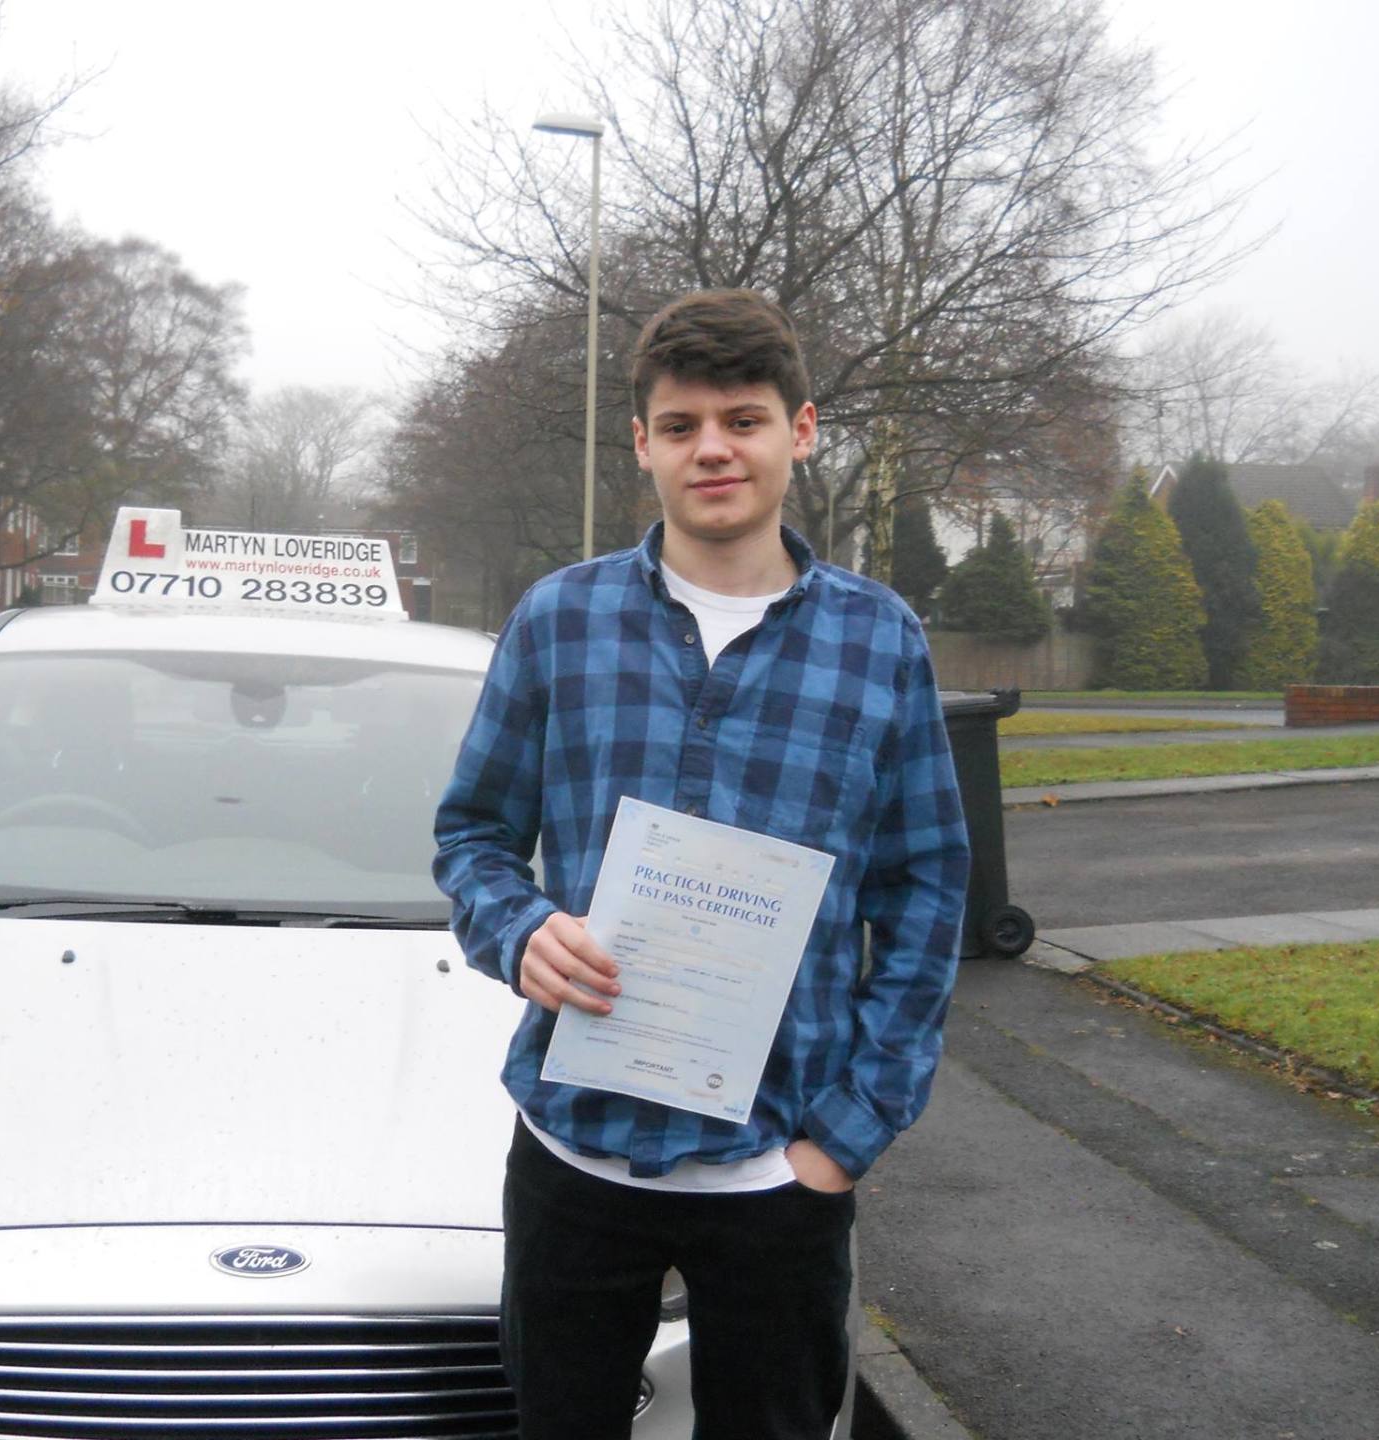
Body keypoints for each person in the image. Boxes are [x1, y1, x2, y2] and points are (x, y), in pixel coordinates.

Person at [433, 288, 970, 1440]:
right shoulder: (557, 622)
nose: (712, 448)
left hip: (776, 1173)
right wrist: (517, 928)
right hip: (576, 1154)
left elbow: (925, 892)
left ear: (802, 430)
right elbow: (471, 835)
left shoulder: (880, 642)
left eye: (743, 418)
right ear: (642, 445)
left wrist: (848, 1135)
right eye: (680, 426)